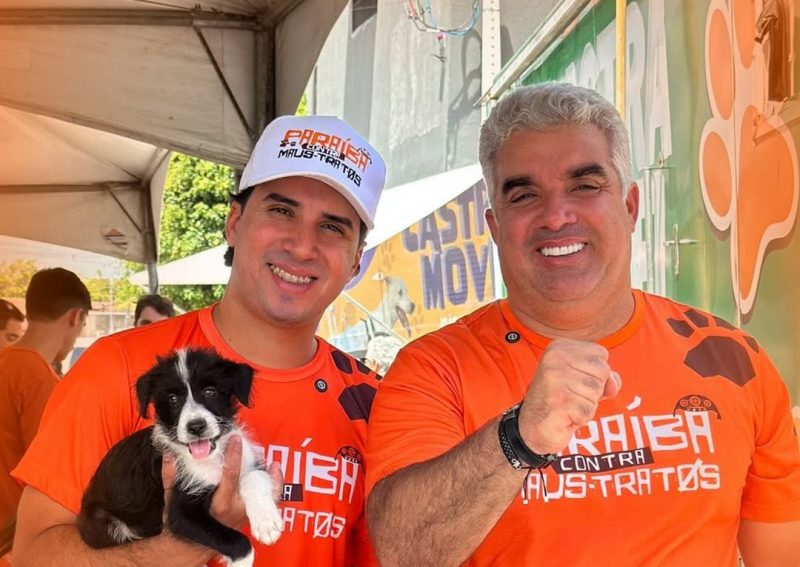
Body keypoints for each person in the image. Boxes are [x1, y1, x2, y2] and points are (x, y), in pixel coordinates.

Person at [365, 83, 800, 566]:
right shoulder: (434, 369)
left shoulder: (732, 359)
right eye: (524, 195)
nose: (556, 216)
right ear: (495, 227)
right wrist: (518, 438)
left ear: (630, 206)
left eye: (585, 186)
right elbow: (403, 553)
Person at [11, 114, 387, 567]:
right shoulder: (119, 367)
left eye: (333, 227)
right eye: (281, 211)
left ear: (356, 261)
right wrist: (185, 544)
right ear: (234, 222)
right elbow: (32, 555)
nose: (302, 245)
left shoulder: (377, 405)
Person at [1, 269, 91, 543]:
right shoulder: (39, 379)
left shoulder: (6, 361)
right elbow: (51, 478)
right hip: (16, 539)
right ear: (75, 317)